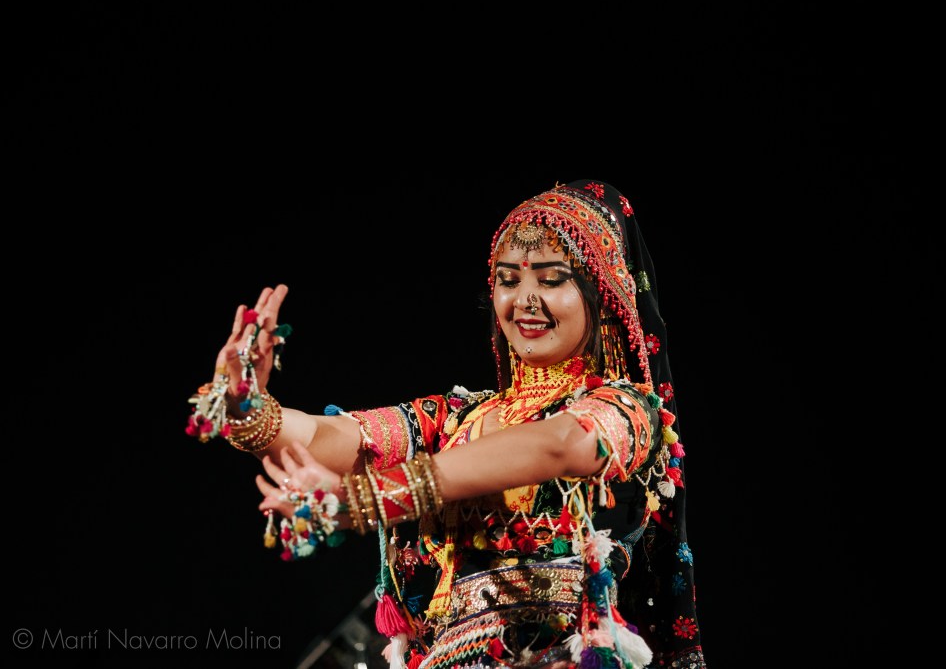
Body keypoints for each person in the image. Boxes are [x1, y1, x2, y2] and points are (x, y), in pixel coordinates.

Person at [187, 179, 707, 669]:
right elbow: (328, 439)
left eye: (551, 280)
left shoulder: (626, 409)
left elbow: (560, 444)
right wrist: (246, 407)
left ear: (602, 294)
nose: (525, 300)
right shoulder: (457, 419)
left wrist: (376, 497)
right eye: (508, 280)